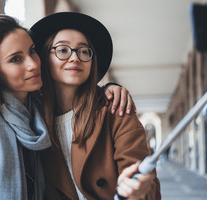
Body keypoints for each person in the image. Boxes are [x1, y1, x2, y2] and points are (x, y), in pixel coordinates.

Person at [0, 14, 136, 200]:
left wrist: (109, 89)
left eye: (32, 51)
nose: (33, 64)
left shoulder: (38, 115)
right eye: (15, 59)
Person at [29, 12, 161, 199]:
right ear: (44, 56)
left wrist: (136, 189)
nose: (74, 58)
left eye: (83, 51)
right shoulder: (32, 116)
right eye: (63, 50)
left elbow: (146, 183)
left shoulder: (115, 109)